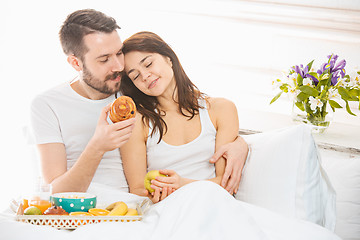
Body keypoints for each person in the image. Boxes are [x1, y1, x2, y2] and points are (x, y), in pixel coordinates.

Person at [29, 9, 248, 195]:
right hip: (89, 209)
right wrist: (97, 146)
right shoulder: (48, 105)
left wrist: (241, 144)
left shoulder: (134, 94)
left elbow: (195, 119)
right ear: (76, 63)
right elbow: (54, 193)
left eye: (118, 54)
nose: (117, 67)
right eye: (104, 59)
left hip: (134, 210)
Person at [119, 31, 243, 202]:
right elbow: (138, 190)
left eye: (148, 64)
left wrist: (182, 184)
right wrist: (157, 195)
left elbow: (226, 184)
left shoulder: (221, 109)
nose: (145, 76)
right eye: (135, 76)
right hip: (166, 211)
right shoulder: (138, 122)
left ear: (169, 58)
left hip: (214, 205)